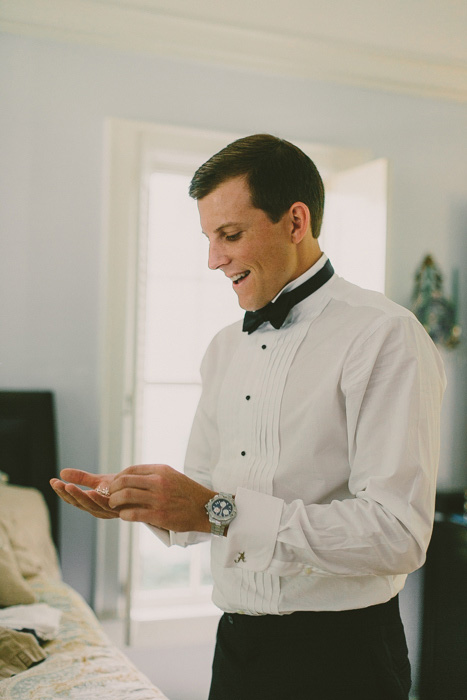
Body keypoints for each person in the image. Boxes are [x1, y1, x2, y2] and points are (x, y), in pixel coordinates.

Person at [51, 134, 446, 700]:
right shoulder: (222, 349)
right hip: (235, 651)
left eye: (230, 235)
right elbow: (210, 497)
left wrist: (219, 512)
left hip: (343, 659)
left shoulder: (385, 336)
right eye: (209, 238)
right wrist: (142, 499)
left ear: (295, 221)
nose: (214, 259)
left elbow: (397, 534)